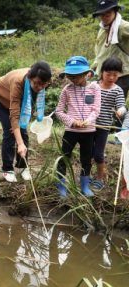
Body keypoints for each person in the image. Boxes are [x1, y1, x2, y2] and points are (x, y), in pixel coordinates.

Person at [0, 61, 52, 182]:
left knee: (23, 133)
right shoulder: (18, 82)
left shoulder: (45, 81)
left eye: (43, 84)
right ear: (30, 78)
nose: (40, 87)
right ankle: (7, 169)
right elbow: (14, 116)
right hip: (2, 100)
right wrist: (19, 143)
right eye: (37, 83)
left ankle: (23, 166)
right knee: (10, 133)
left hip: (20, 103)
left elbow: (31, 98)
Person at [55, 56, 101, 198]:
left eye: (78, 76)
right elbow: (58, 111)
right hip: (71, 131)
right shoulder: (66, 90)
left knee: (86, 159)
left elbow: (96, 110)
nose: (74, 79)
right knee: (64, 158)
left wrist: (87, 121)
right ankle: (61, 186)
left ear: (87, 73)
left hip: (88, 131)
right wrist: (72, 121)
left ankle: (85, 186)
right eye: (70, 76)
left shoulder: (95, 88)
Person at [91, 0, 129, 145]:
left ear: (115, 12)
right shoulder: (103, 28)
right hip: (105, 71)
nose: (105, 16)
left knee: (119, 103)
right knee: (108, 104)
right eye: (102, 14)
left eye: (108, 13)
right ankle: (113, 134)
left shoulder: (122, 27)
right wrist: (93, 67)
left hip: (122, 73)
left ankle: (121, 137)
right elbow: (101, 52)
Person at [90, 56, 127, 193]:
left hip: (103, 127)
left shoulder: (117, 90)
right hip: (89, 125)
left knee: (99, 154)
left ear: (119, 75)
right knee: (87, 152)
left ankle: (100, 179)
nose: (111, 77)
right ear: (102, 72)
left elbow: (122, 106)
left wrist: (120, 111)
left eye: (115, 75)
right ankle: (86, 176)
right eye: (108, 74)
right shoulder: (93, 86)